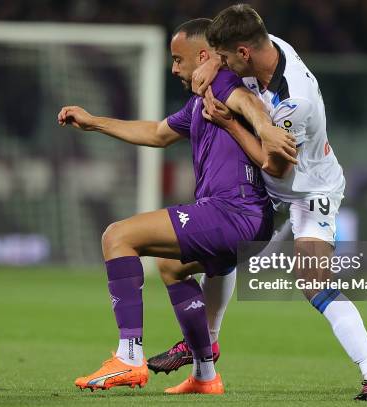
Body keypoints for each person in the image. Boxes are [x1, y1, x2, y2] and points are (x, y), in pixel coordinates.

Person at [160, 4, 367, 401]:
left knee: (313, 282)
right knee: (219, 252)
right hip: (269, 192)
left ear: (244, 54)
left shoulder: (294, 101)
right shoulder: (267, 45)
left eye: (223, 57)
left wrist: (230, 124)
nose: (219, 63)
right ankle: (205, 360)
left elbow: (276, 166)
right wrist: (210, 67)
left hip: (308, 193)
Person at [57, 17, 291, 395]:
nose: (173, 68)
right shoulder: (199, 102)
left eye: (178, 59)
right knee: (171, 266)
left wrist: (264, 128)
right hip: (247, 221)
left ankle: (129, 357)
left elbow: (246, 102)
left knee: (118, 236)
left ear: (204, 55)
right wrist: (94, 122)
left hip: (234, 212)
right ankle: (204, 374)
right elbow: (157, 132)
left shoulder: (221, 82)